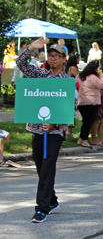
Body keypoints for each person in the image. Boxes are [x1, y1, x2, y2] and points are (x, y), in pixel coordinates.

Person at [16, 38, 70, 223]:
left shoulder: (68, 81)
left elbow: (71, 107)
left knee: (47, 169)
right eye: (51, 55)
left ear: (64, 58)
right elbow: (20, 63)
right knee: (41, 168)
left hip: (54, 134)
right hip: (37, 131)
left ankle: (42, 209)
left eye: (57, 56)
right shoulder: (39, 75)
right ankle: (52, 200)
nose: (53, 59)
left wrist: (55, 124)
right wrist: (31, 48)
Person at [76, 61, 103, 148]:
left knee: (86, 121)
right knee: (88, 122)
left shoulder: (79, 76)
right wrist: (101, 75)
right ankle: (84, 140)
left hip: (81, 101)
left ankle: (81, 139)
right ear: (96, 69)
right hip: (92, 102)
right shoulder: (92, 77)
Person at [64, 53, 80, 139]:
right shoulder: (73, 68)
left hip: (67, 90)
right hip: (72, 90)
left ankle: (67, 131)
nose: (79, 60)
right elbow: (79, 78)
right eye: (78, 59)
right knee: (71, 110)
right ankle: (69, 131)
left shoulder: (67, 67)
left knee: (68, 110)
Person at [90, 78, 103, 146]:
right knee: (96, 120)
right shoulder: (91, 78)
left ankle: (100, 139)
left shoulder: (101, 77)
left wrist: (102, 78)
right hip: (95, 99)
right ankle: (94, 139)